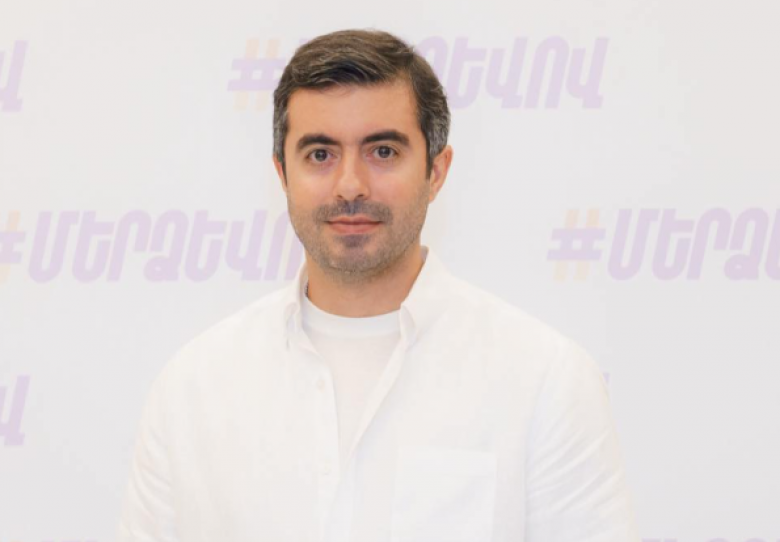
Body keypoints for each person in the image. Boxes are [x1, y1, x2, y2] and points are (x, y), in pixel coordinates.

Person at [117, 28, 640, 542]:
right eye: (320, 154)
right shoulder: (192, 390)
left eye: (383, 151)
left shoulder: (545, 382)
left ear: (436, 171)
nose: (350, 186)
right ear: (282, 174)